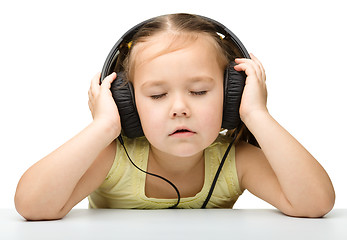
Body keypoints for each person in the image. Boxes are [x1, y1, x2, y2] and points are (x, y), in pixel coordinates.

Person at [14, 13, 335, 220]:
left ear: (231, 95)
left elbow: (315, 205)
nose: (179, 108)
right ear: (126, 102)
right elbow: (32, 207)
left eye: (198, 91)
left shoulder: (235, 161)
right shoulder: (113, 158)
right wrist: (104, 126)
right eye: (157, 95)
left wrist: (255, 113)